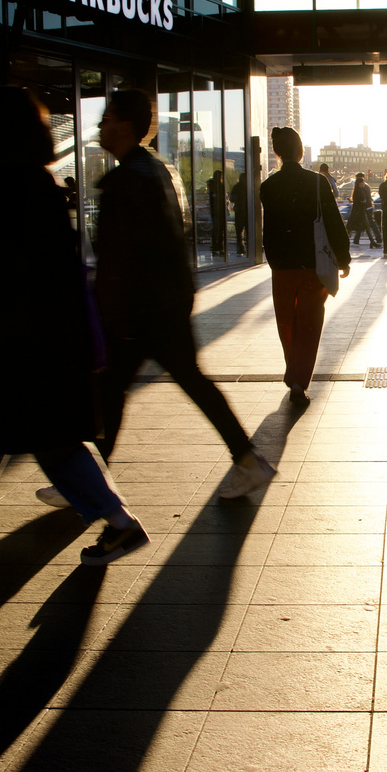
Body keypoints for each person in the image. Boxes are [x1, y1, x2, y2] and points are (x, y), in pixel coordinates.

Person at [0, 87, 146, 564]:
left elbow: (5, 275)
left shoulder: (7, 188)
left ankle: (118, 523)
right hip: (48, 341)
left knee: (40, 438)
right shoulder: (42, 184)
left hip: (24, 345)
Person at [93, 89, 278, 498]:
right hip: (166, 300)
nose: (99, 126)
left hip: (139, 309)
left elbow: (123, 254)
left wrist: (115, 312)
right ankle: (246, 460)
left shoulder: (127, 180)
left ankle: (86, 480)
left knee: (116, 388)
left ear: (124, 126)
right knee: (177, 383)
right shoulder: (160, 169)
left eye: (105, 119)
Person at [260, 127, 350, 405]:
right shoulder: (317, 182)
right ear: (300, 151)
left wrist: (273, 257)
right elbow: (333, 221)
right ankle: (299, 380)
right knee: (310, 322)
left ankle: (293, 371)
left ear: (277, 152)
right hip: (313, 262)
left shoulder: (268, 186)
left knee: (287, 321)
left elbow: (270, 229)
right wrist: (343, 257)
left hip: (282, 265)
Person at [347, 171, 380, 247]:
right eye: (362, 182)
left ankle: (369, 241)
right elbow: (362, 200)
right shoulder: (361, 190)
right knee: (366, 226)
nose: (363, 184)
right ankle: (373, 241)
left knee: (357, 227)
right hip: (360, 211)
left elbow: (359, 201)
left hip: (358, 212)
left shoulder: (358, 190)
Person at [207, 168, 227, 255]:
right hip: (217, 210)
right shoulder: (217, 185)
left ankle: (218, 246)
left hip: (218, 210)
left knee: (219, 229)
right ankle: (217, 246)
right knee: (218, 229)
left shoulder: (219, 186)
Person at [232, 171, 249, 256]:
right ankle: (248, 248)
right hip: (246, 211)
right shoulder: (249, 187)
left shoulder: (237, 187)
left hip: (239, 212)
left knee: (239, 232)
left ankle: (241, 248)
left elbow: (232, 198)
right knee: (247, 231)